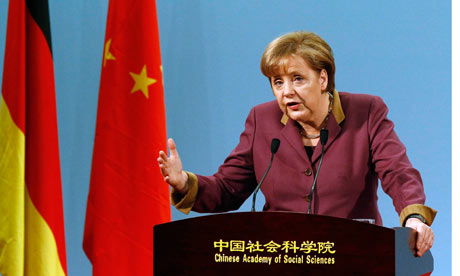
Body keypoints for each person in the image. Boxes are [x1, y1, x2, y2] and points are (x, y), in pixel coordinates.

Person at [157, 31, 436, 257]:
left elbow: (398, 173)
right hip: (281, 257)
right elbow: (229, 187)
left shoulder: (366, 112)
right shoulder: (262, 119)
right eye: (278, 82)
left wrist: (414, 218)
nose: (286, 91)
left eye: (297, 79)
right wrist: (183, 182)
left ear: (323, 78)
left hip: (352, 253)